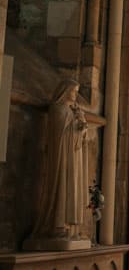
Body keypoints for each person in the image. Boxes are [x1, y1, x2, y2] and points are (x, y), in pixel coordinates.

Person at [28, 78, 89, 244]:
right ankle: (58, 227)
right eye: (73, 91)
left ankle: (72, 228)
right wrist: (76, 124)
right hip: (62, 157)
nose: (75, 94)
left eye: (77, 91)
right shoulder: (57, 109)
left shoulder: (74, 110)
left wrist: (82, 124)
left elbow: (81, 136)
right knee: (61, 188)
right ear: (65, 90)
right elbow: (59, 135)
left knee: (73, 189)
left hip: (73, 158)